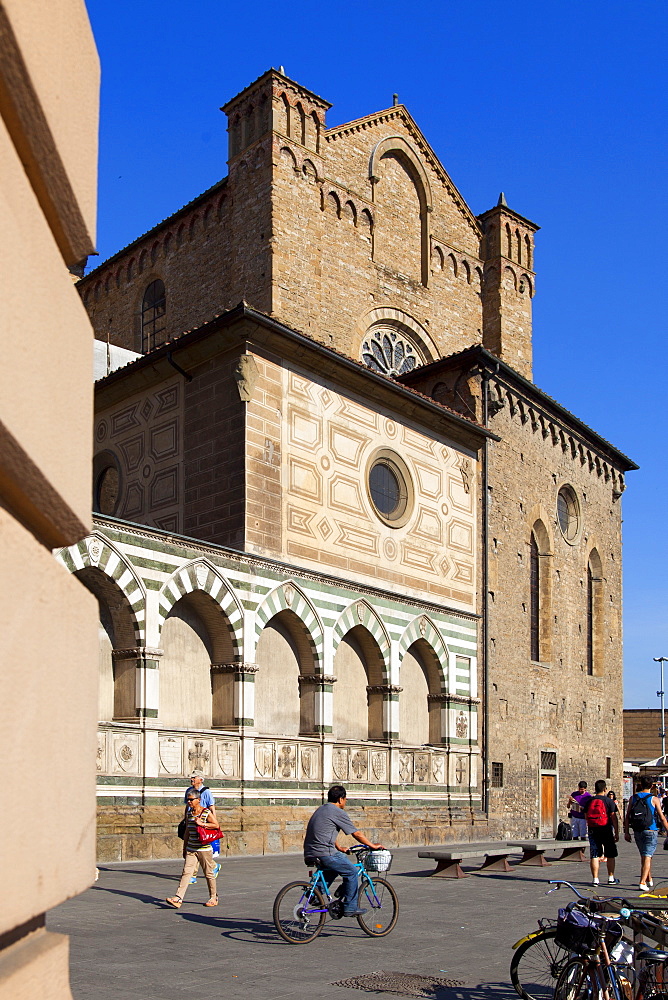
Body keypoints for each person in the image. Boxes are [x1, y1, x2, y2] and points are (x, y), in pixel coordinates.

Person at [303, 785, 385, 917]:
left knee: (335, 867)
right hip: (325, 852)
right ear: (341, 799)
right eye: (345, 799)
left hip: (310, 851)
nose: (345, 802)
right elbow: (356, 834)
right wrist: (373, 845)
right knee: (352, 871)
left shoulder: (321, 809)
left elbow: (324, 832)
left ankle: (314, 894)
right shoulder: (337, 812)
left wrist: (339, 847)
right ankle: (350, 907)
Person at [166, 789, 219, 908]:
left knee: (208, 873)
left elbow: (216, 825)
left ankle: (213, 897)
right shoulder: (189, 814)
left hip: (204, 849)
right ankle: (178, 898)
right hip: (191, 848)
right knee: (186, 873)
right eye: (187, 799)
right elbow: (187, 832)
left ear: (198, 800)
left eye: (191, 799)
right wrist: (184, 848)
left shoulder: (206, 813)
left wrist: (202, 824)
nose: (188, 802)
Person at [624, 775, 668, 891]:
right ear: (652, 786)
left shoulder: (633, 798)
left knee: (645, 855)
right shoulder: (654, 799)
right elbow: (662, 817)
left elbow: (627, 816)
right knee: (647, 856)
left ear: (640, 785)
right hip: (651, 829)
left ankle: (649, 878)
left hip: (637, 830)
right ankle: (642, 882)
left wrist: (627, 832)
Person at [184, 771, 221, 881]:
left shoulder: (206, 792)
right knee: (194, 846)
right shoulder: (189, 791)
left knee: (198, 847)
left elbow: (211, 806)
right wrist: (185, 819)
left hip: (202, 822)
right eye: (191, 778)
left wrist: (214, 823)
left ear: (201, 780)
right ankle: (213, 866)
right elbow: (187, 807)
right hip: (192, 820)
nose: (191, 780)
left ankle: (192, 875)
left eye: (194, 778)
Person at [583, 779, 620, 886]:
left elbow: (586, 816)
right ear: (605, 789)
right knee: (610, 854)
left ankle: (595, 879)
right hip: (606, 829)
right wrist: (616, 832)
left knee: (594, 854)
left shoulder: (589, 801)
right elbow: (614, 818)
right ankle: (611, 878)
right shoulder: (608, 801)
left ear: (595, 789)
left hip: (593, 829)